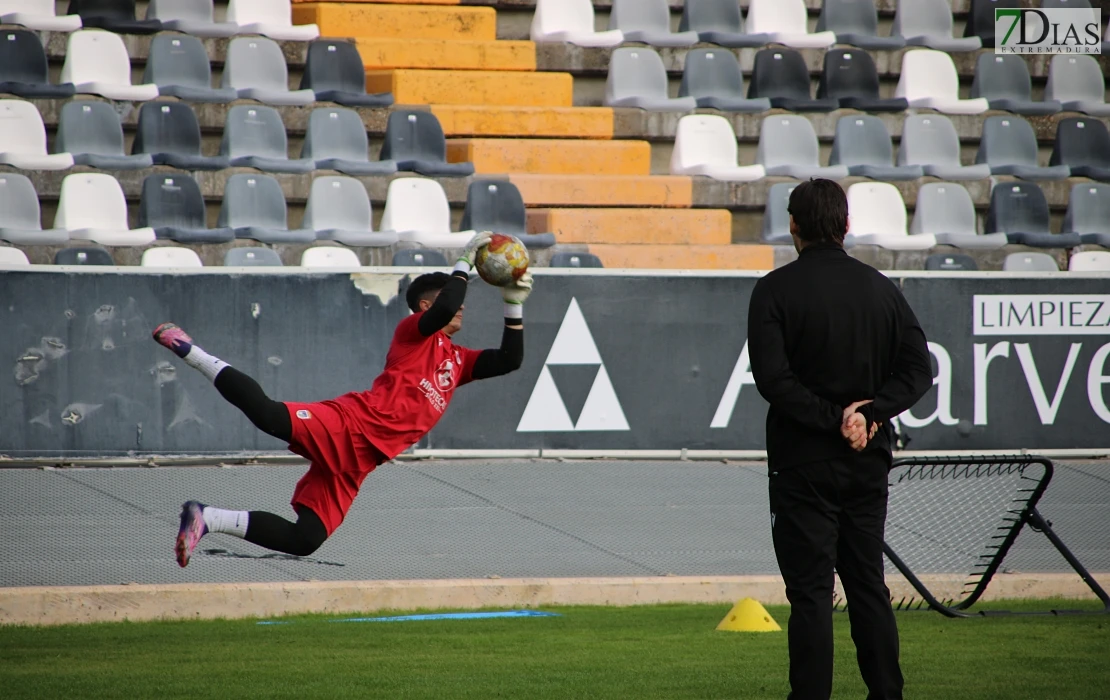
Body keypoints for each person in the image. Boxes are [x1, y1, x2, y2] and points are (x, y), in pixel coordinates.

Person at [153, 232, 533, 568]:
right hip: (352, 425)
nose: (462, 308)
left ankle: (206, 517)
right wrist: (463, 262)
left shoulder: (456, 359)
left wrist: (513, 303)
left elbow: (509, 359)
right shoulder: (413, 334)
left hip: (361, 461)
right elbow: (449, 306)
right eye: (450, 301)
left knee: (305, 540)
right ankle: (190, 350)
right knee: (267, 415)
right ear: (424, 308)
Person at [746, 179, 933, 700]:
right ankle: (887, 693)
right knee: (867, 584)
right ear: (846, 226)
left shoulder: (774, 290)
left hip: (802, 464)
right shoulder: (881, 289)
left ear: (793, 226)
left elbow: (774, 381)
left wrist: (835, 419)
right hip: (867, 460)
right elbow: (920, 369)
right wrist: (869, 414)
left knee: (810, 595)